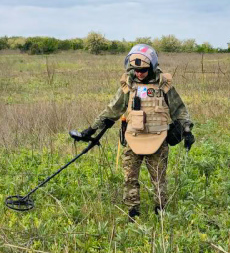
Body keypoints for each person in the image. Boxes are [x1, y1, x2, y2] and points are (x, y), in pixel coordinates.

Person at [79, 44, 194, 220]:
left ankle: (160, 210)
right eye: (136, 70)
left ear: (152, 67)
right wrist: (91, 129)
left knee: (159, 178)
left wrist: (187, 130)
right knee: (129, 177)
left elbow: (179, 110)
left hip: (158, 139)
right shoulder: (129, 85)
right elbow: (113, 109)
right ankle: (133, 212)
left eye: (144, 70)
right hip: (133, 139)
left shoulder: (163, 85)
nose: (139, 73)